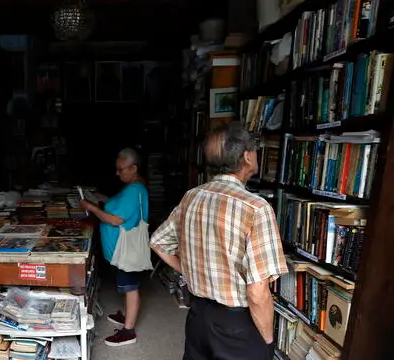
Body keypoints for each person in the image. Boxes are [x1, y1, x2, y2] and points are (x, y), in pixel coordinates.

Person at [149, 123, 287, 360]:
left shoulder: (192, 196)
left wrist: (190, 271)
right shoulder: (255, 208)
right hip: (237, 325)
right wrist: (267, 339)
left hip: (198, 316)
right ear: (246, 156)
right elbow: (257, 291)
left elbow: (158, 242)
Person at [80, 147, 149, 347]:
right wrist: (100, 198)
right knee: (128, 284)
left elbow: (115, 219)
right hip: (123, 248)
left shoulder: (135, 189)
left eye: (121, 169)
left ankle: (128, 331)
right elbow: (119, 206)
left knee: (131, 287)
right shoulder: (133, 187)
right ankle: (127, 315)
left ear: (133, 168)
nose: (117, 173)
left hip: (128, 248)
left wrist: (91, 207)